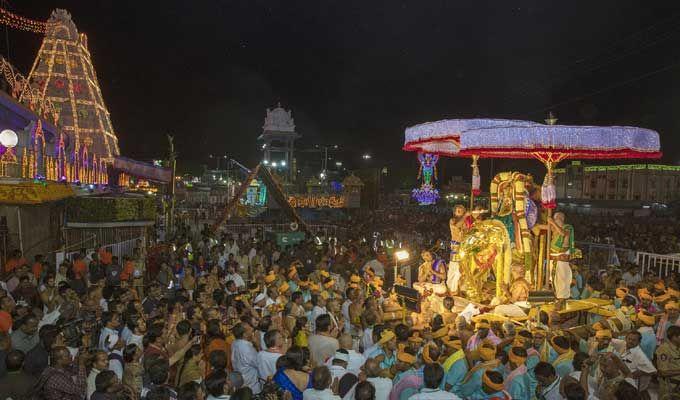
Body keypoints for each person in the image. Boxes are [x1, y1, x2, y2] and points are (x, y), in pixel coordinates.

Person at [231, 322, 261, 394]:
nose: (252, 329)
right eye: (249, 328)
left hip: (241, 380)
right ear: (244, 334)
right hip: (251, 386)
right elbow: (259, 363)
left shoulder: (234, 343)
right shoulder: (246, 348)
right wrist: (257, 344)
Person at [657, 325, 680, 399]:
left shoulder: (678, 347)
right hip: (669, 386)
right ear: (674, 337)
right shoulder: (664, 350)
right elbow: (663, 372)